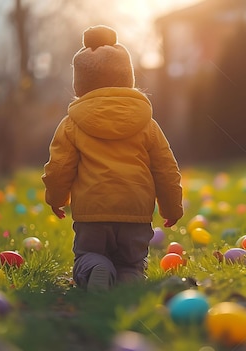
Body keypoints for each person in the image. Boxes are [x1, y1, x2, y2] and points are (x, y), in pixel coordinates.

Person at [42, 25, 183, 291]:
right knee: (131, 263)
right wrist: (171, 207)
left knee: (89, 254)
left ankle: (96, 267)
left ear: (80, 83)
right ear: (126, 77)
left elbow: (59, 167)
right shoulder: (147, 123)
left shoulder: (72, 124)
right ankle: (127, 281)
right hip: (136, 212)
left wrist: (56, 199)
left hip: (92, 212)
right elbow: (166, 168)